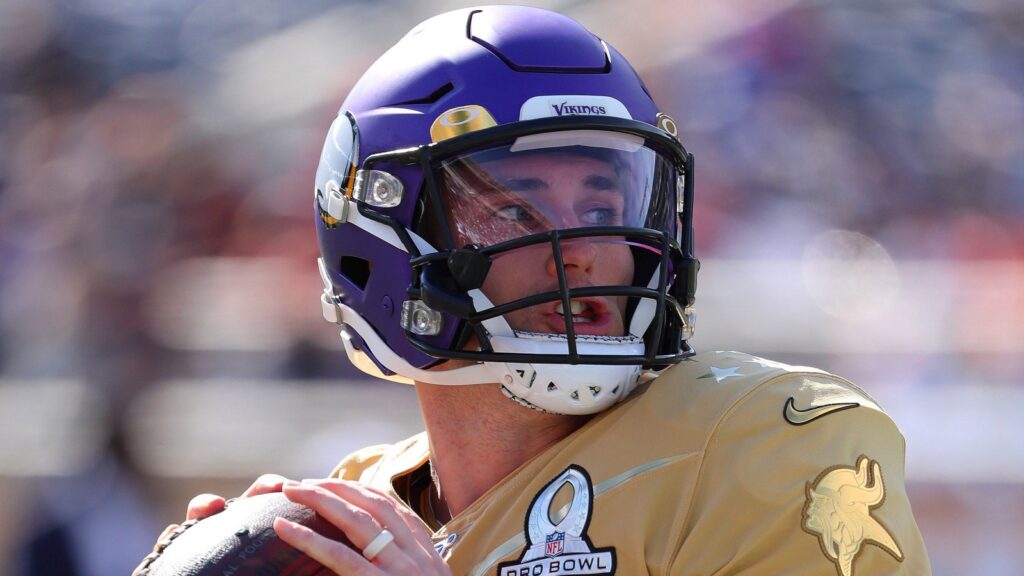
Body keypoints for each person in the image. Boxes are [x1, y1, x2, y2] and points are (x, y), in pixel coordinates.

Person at [147, 5, 931, 575]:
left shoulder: (764, 441)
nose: (585, 248)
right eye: (516, 209)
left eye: (603, 204)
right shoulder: (344, 517)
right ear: (381, 233)